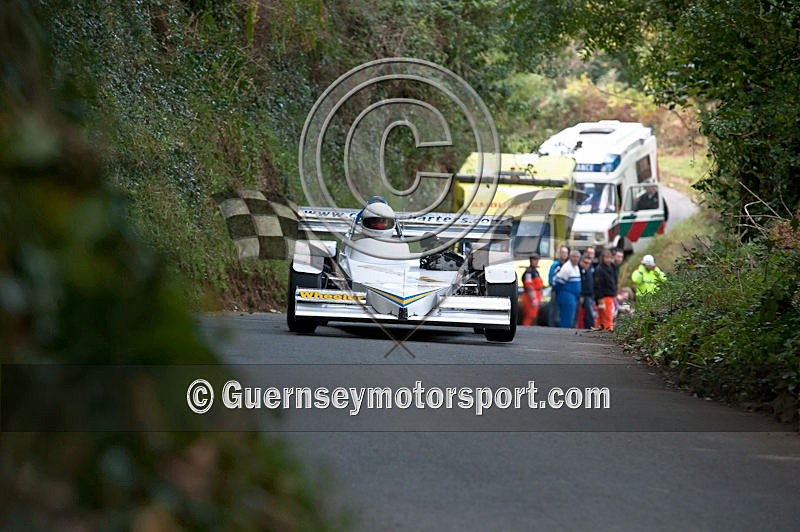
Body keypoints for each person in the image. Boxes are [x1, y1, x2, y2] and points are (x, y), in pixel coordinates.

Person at [552, 249, 582, 328]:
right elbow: (558, 283)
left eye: (577, 257)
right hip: (566, 295)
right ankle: (563, 335)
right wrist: (559, 293)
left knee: (570, 318)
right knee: (566, 318)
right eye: (574, 257)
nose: (575, 259)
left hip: (573, 296)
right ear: (570, 257)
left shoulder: (576, 267)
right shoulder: (566, 267)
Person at [594, 249, 617, 331]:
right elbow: (598, 285)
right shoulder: (599, 269)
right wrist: (600, 299)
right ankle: (608, 331)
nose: (608, 260)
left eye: (610, 257)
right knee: (607, 317)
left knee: (602, 317)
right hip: (604, 297)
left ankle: (600, 331)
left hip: (610, 296)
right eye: (606, 257)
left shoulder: (612, 267)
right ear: (602, 258)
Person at [547, 245, 570, 326]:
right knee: (554, 310)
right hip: (556, 291)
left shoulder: (569, 266)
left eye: (565, 253)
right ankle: (552, 326)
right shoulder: (555, 265)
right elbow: (550, 278)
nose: (564, 254)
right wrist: (554, 286)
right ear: (559, 254)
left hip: (566, 292)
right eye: (562, 252)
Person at [521, 254, 543, 326]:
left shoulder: (535, 271)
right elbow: (529, 286)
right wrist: (533, 298)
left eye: (537, 260)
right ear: (531, 261)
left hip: (535, 296)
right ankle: (526, 331)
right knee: (529, 316)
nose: (536, 262)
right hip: (529, 297)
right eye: (534, 260)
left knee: (533, 317)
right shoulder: (529, 272)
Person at [578, 253, 596, 329]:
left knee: (589, 314)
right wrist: (581, 295)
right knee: (586, 314)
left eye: (589, 263)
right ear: (581, 261)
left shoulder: (589, 270)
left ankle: (589, 327)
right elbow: (581, 284)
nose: (587, 264)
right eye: (585, 262)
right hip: (583, 295)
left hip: (590, 295)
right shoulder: (579, 270)